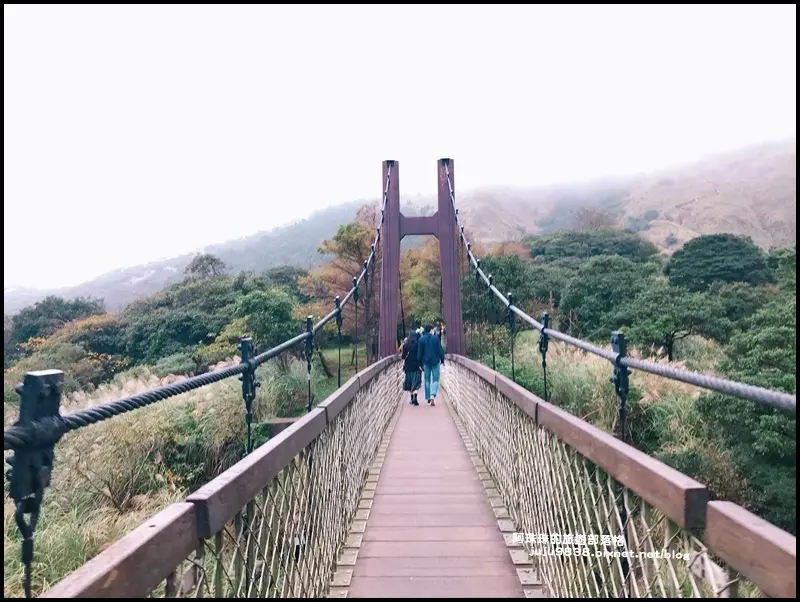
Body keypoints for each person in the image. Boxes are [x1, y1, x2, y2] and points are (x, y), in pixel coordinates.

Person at [417, 323, 445, 406]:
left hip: (426, 362)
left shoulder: (421, 340)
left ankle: (428, 397)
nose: (433, 331)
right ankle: (433, 394)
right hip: (435, 361)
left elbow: (419, 353)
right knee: (436, 379)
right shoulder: (435, 339)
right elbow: (440, 350)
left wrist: (419, 363)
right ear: (430, 330)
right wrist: (442, 359)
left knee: (427, 380)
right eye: (433, 330)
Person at [401, 322, 423, 406]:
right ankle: (415, 397)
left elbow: (403, 356)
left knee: (410, 382)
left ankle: (411, 398)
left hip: (408, 366)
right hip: (417, 366)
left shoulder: (405, 345)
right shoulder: (418, 344)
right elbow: (420, 355)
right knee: (416, 382)